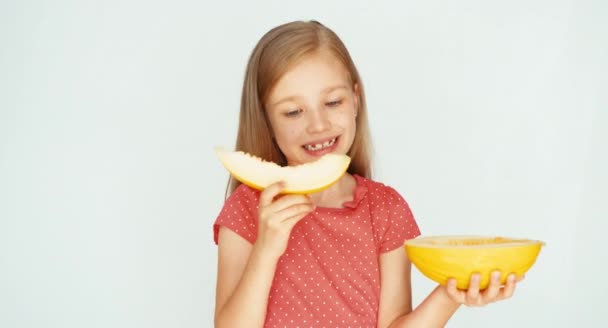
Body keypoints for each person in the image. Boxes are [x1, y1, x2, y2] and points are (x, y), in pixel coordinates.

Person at [212, 20, 520, 328]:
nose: (318, 125)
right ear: (266, 120)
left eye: (333, 102)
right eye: (293, 111)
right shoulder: (248, 209)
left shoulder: (386, 210)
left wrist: (450, 296)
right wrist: (266, 250)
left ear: (355, 100)